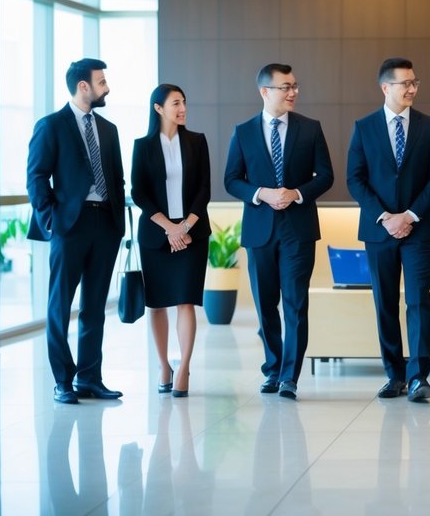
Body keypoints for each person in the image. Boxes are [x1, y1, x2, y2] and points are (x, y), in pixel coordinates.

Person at [224, 64, 334, 401]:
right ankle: (273, 368)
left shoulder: (310, 129)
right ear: (264, 92)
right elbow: (232, 179)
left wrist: (297, 193)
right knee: (265, 305)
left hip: (298, 230)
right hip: (259, 231)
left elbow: (326, 175)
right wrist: (262, 194)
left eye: (295, 86)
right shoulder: (243, 132)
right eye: (285, 87)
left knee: (296, 305)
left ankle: (290, 376)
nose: (293, 93)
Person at [347, 58, 430, 403]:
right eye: (404, 83)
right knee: (385, 303)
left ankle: (419, 376)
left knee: (419, 300)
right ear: (385, 87)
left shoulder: (429, 126)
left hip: (418, 230)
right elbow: (355, 179)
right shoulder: (363, 127)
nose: (411, 89)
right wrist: (386, 217)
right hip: (378, 231)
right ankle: (395, 375)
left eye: (414, 82)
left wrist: (408, 215)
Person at [26, 57, 127, 404]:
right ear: (83, 86)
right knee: (60, 306)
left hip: (106, 224)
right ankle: (62, 380)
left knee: (95, 307)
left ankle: (90, 378)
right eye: (101, 82)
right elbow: (37, 177)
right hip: (69, 225)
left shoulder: (109, 129)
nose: (106, 87)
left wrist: (118, 222)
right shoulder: (51, 126)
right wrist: (50, 220)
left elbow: (117, 178)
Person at [131, 83, 211, 399]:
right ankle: (164, 365)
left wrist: (185, 226)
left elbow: (204, 189)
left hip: (192, 233)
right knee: (157, 303)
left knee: (186, 300)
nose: (182, 108)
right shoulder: (143, 145)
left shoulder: (197, 142)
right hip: (156, 235)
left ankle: (184, 367)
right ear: (158, 108)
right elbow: (140, 192)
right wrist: (169, 228)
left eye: (184, 102)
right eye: (175, 102)